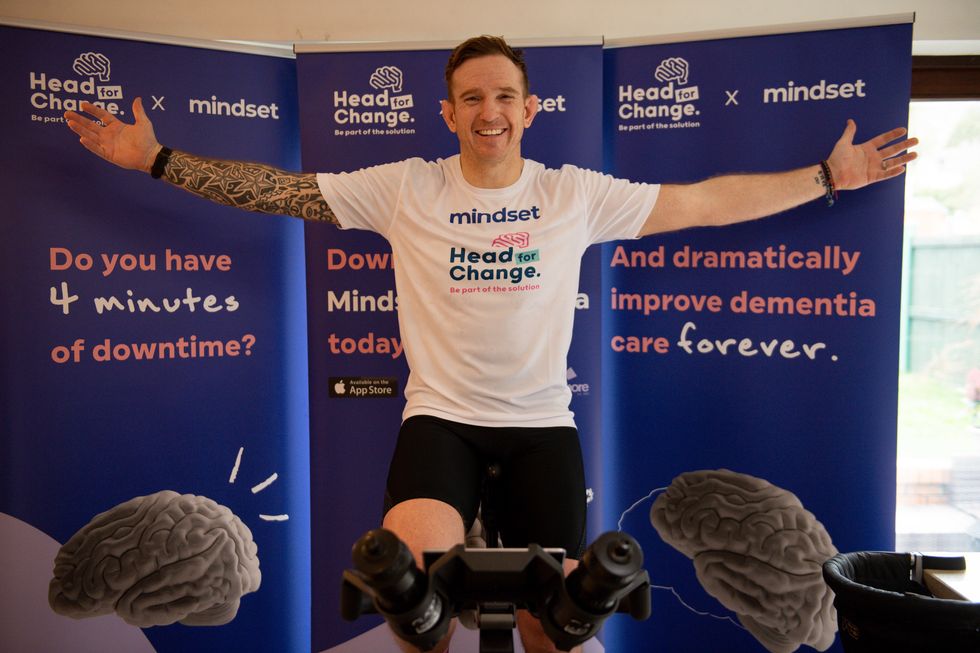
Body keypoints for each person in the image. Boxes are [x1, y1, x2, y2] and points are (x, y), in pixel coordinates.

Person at [64, 35, 917, 653]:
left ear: (529, 108)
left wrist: (826, 178)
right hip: (441, 422)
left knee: (558, 625)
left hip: (543, 426)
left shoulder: (572, 193)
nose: (489, 111)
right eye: (471, 97)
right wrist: (158, 161)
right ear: (449, 112)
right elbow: (284, 191)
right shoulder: (406, 186)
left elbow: (702, 203)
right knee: (414, 593)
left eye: (503, 95)